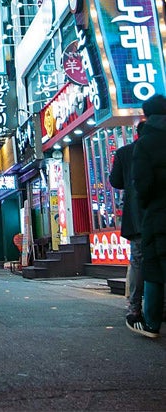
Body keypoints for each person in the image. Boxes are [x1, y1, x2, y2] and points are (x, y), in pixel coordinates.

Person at [130, 94, 166, 337]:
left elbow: (142, 185)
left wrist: (147, 206)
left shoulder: (144, 143)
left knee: (153, 268)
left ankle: (152, 323)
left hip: (158, 213)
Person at [109, 121, 145, 319]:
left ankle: (134, 307)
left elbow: (115, 181)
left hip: (136, 216)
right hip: (158, 215)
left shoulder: (124, 153)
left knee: (138, 261)